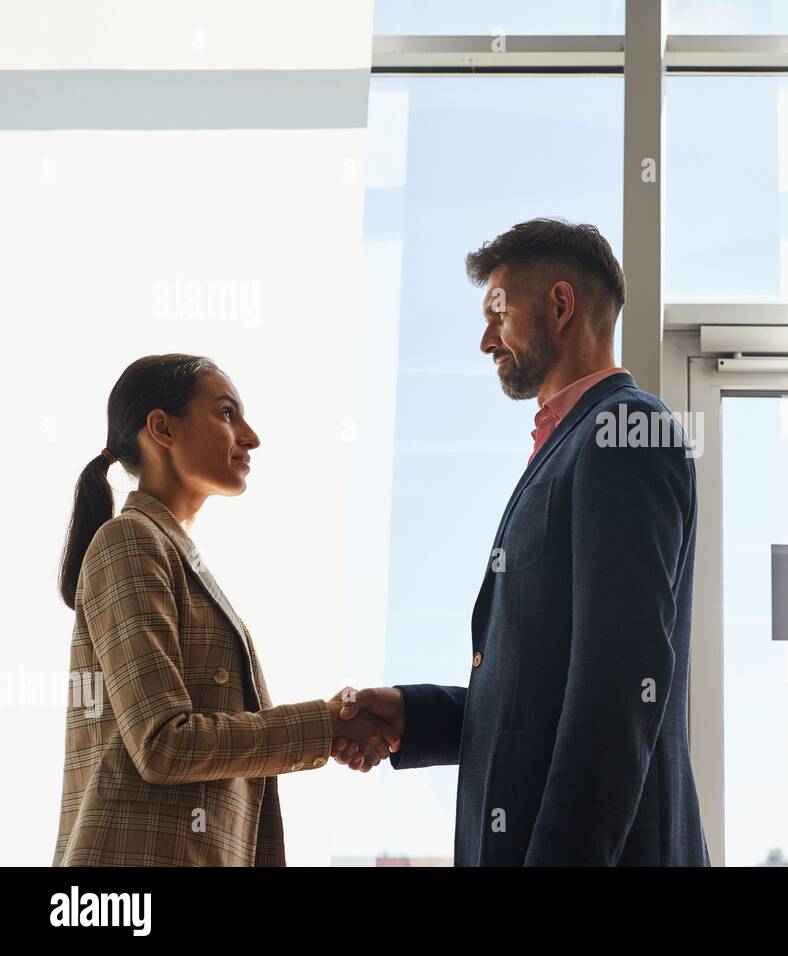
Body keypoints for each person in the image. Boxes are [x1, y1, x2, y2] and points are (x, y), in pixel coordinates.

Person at [335, 218, 711, 865]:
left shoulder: (621, 432)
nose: (486, 340)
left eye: (498, 314)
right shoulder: (577, 443)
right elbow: (548, 692)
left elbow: (616, 688)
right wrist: (414, 717)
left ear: (560, 305)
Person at [53, 354, 398, 866]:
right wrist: (326, 727)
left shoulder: (166, 550)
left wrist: (331, 728)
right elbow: (163, 743)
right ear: (161, 428)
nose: (251, 437)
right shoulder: (128, 541)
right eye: (226, 414)